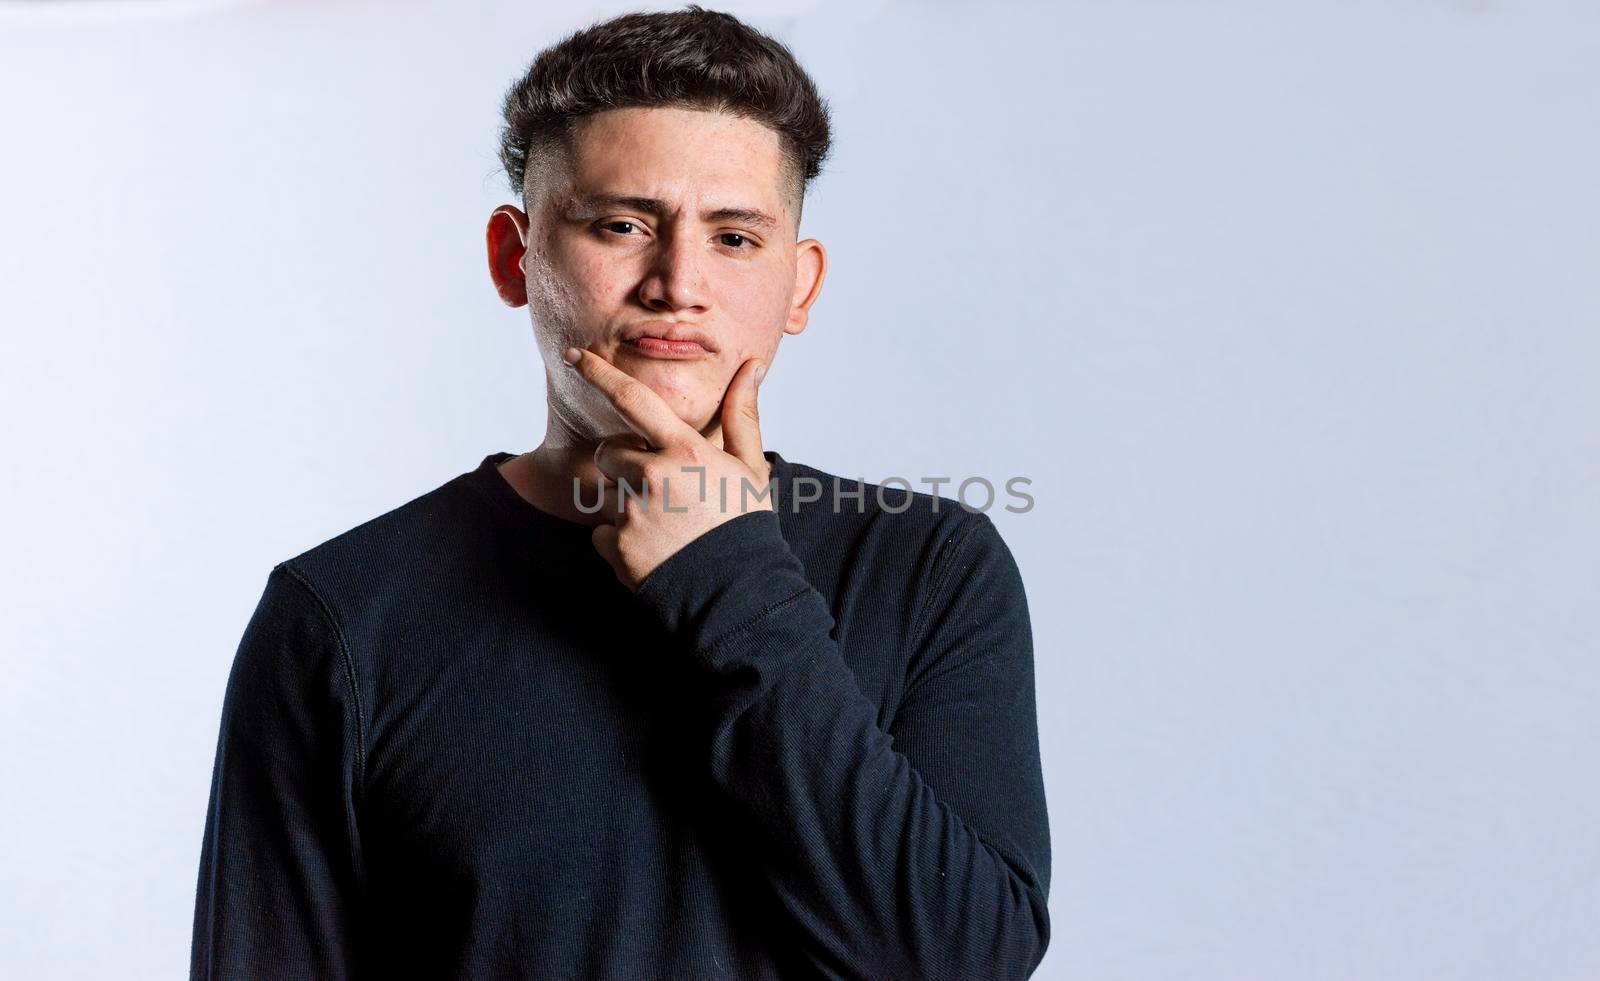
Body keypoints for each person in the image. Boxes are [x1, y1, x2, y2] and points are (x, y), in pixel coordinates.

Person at [189, 6, 1051, 978]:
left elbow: (963, 961)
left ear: (798, 285)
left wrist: (728, 577)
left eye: (733, 237)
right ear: (516, 258)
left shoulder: (927, 569)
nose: (677, 282)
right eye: (622, 224)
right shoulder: (343, 616)